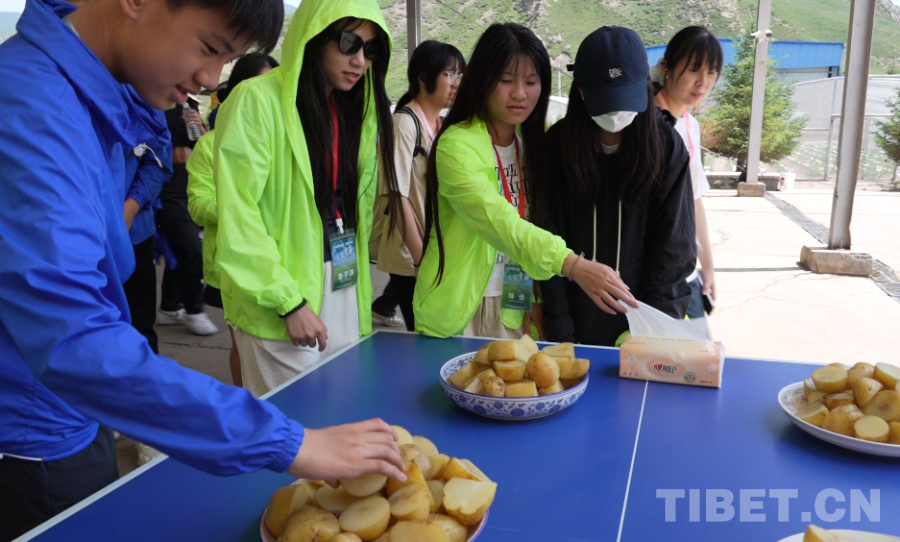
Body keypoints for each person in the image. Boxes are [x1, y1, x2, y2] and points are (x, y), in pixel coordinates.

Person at [0, 0, 404, 539]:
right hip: (32, 430)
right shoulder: (37, 111)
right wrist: (290, 442)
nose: (210, 79)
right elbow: (74, 339)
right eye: (210, 48)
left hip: (70, 412)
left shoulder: (92, 95)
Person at [213, 0, 403, 397]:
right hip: (280, 299)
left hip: (344, 281)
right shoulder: (255, 100)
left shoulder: (353, 109)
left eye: (372, 49)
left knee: (344, 408)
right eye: (349, 43)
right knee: (295, 425)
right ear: (314, 37)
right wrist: (289, 303)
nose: (360, 60)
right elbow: (238, 213)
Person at [412, 23, 638, 340]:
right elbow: (500, 223)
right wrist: (572, 265)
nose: (519, 93)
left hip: (514, 307)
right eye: (506, 80)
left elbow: (536, 222)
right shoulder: (456, 146)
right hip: (460, 311)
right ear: (482, 79)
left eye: (531, 81)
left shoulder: (530, 145)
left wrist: (536, 296)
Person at [537, 26, 697, 347]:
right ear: (582, 91)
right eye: (606, 101)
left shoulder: (666, 147)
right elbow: (548, 236)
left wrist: (652, 332)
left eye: (625, 98)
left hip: (643, 320)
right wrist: (560, 330)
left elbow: (674, 250)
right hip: (573, 318)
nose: (616, 113)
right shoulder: (557, 146)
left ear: (645, 87)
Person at [187, 52, 280, 388]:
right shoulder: (210, 145)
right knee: (243, 342)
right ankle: (247, 408)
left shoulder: (285, 138)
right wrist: (241, 207)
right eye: (256, 84)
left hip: (281, 258)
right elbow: (198, 205)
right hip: (233, 263)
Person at [370, 40, 466, 332]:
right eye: (449, 74)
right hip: (411, 252)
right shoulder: (403, 124)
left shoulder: (442, 125)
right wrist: (420, 258)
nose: (456, 82)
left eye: (460, 75)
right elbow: (396, 194)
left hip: (435, 249)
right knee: (425, 331)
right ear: (423, 78)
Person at [651, 26, 723, 319]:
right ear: (666, 68)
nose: (703, 82)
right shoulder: (645, 123)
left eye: (711, 72)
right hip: (653, 273)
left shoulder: (690, 125)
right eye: (694, 70)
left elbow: (693, 199)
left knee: (695, 343)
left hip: (685, 270)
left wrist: (708, 268)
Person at [156, 96, 220, 336]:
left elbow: (201, 147)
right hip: (165, 190)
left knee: (182, 248)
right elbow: (135, 146)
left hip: (191, 188)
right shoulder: (153, 100)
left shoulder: (189, 104)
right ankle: (195, 310)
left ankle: (170, 307)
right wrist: (170, 155)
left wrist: (201, 130)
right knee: (191, 248)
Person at [122, 92, 173, 355]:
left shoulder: (143, 93)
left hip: (134, 233)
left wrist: (129, 210)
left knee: (140, 331)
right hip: (71, 240)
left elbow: (159, 161)